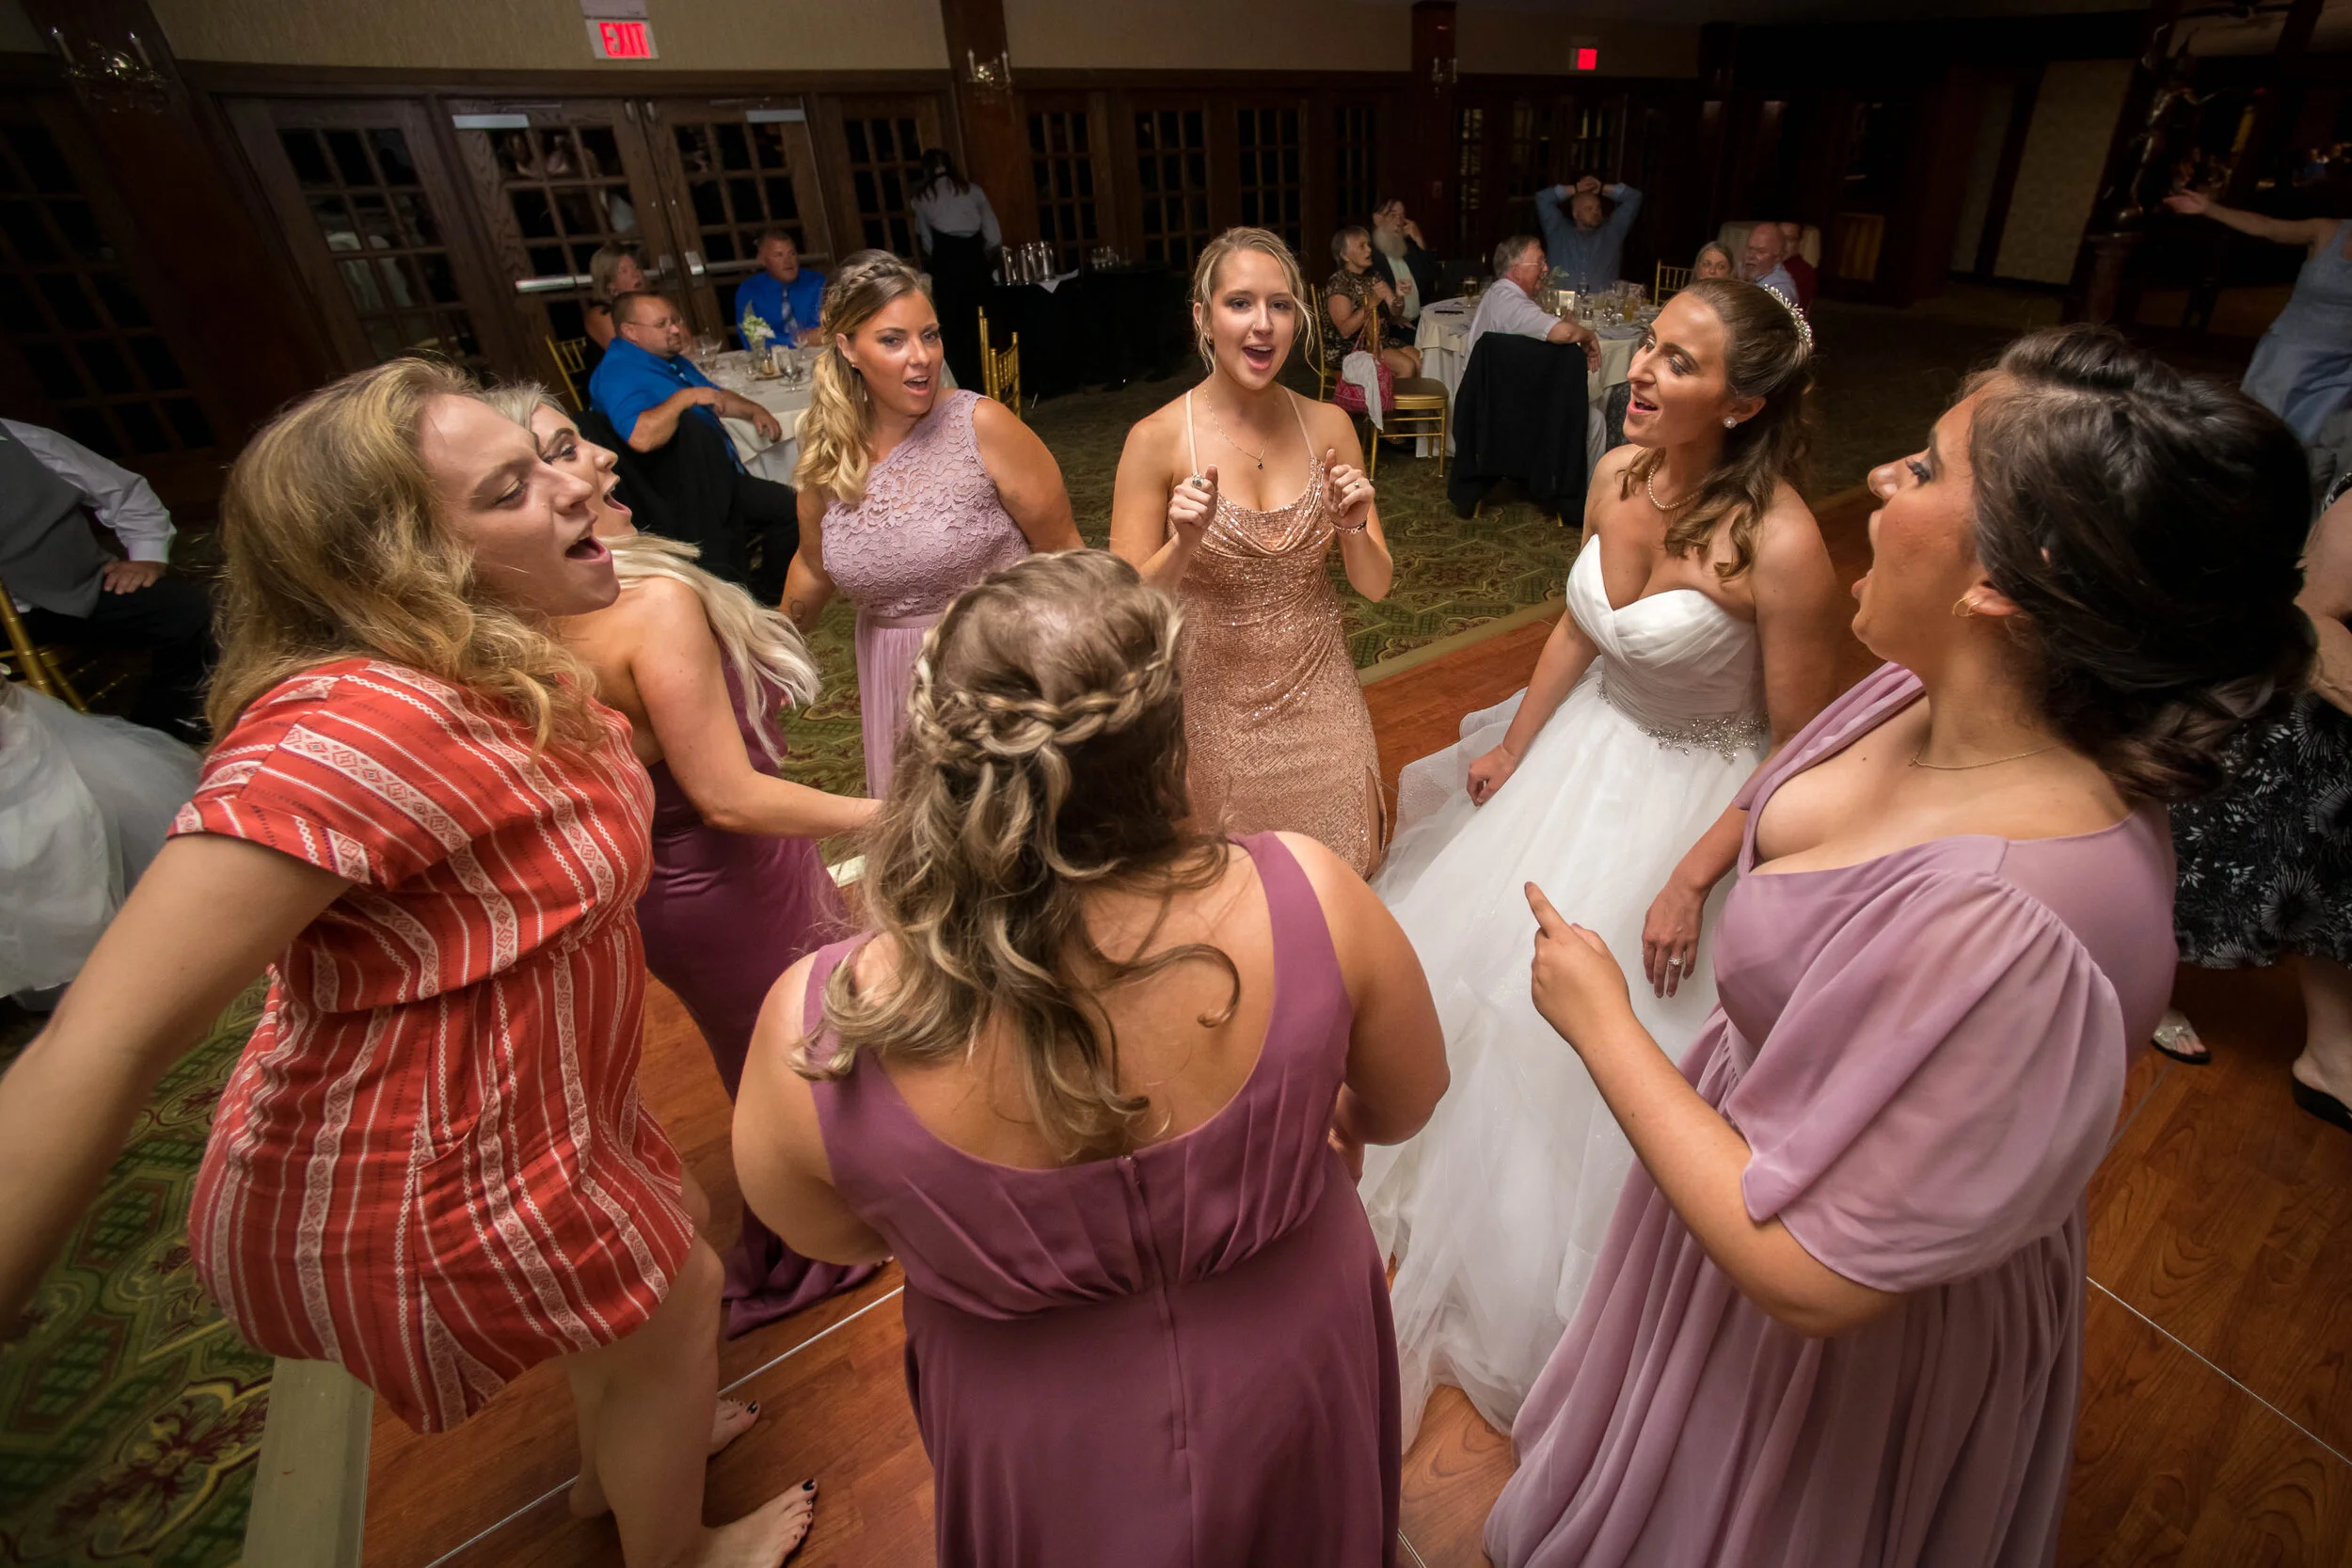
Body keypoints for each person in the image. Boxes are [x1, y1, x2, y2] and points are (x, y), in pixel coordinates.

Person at [1486, 325, 2313, 1568]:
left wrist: (1603, 1018)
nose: (1880, 477)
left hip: (1840, 1339)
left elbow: (1816, 1276)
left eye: (1925, 470)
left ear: (2007, 578)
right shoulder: (1921, 688)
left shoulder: (2014, 928)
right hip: (1746, 1164)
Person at [0, 359, 824, 1565]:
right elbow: (108, 1035)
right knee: (677, 1298)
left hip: (550, 1111)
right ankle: (682, 1550)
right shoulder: (355, 723)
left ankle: (622, 1467)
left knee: (666, 1278)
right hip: (429, 1153)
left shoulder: (505, 664)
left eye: (552, 456)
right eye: (511, 487)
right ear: (405, 565)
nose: (577, 480)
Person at [730, 549, 1451, 1567]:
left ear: (934, 760)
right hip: (1294, 1355)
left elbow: (829, 1228)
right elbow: (1407, 1095)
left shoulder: (819, 1024)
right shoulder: (1313, 893)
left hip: (1032, 1417)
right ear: (1169, 749)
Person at [1360, 277, 1840, 1442]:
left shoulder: (1778, 543)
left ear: (1745, 401)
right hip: (1580, 757)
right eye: (1651, 348)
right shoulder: (1619, 473)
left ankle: (1574, 1293)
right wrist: (1517, 744)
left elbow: (1800, 750)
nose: (1641, 371)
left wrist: (1690, 875)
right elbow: (1582, 620)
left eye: (1678, 361)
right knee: (1485, 993)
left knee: (1606, 1053)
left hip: (1693, 803)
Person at [486, 384, 885, 1333]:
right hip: (729, 876)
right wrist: (896, 811)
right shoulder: (649, 606)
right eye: (559, 452)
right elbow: (729, 795)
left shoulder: (521, 621)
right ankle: (819, 1236)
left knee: (764, 1049)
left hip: (676, 889)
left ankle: (822, 1212)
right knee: (803, 1050)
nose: (601, 462)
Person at [1108, 227, 1395, 876]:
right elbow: (1119, 618)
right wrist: (1181, 546)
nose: (1262, 325)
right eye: (1239, 303)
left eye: (1281, 305)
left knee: (1342, 885)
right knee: (1237, 912)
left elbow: (1377, 585)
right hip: (1212, 725)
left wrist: (1351, 525)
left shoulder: (1328, 425)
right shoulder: (1156, 440)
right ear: (1203, 319)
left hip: (1324, 709)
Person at [782, 255, 1078, 798]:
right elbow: (812, 566)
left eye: (930, 336)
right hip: (890, 676)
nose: (922, 359)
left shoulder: (981, 425)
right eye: (893, 341)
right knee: (922, 848)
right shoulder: (829, 449)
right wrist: (767, 659)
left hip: (993, 668)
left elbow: (1066, 555)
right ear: (847, 348)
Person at [2153, 471, 2352, 1135]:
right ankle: (2137, 989)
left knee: (2333, 894)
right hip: (2298, 719)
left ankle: (2333, 1055)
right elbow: (2315, 618)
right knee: (2199, 858)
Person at [2, 420, 213, 740]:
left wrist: (147, 555)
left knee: (192, 611)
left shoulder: (23, 439)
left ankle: (165, 724)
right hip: (5, 622)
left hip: (78, 585)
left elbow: (121, 490)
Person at [588, 290, 802, 601]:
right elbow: (641, 436)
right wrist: (684, 399)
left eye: (676, 320)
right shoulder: (619, 372)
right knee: (789, 509)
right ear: (630, 332)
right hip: (684, 495)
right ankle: (758, 598)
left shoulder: (665, 359)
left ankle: (761, 594)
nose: (676, 329)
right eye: (662, 324)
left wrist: (754, 410)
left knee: (791, 507)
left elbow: (713, 395)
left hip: (715, 478)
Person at [2164, 188, 2352, 445]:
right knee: (2255, 431)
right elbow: (2266, 227)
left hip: (2342, 369)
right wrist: (2209, 209)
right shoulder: (2328, 231)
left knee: (2309, 443)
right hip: (2290, 355)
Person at [911, 148, 1000, 392]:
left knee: (953, 329)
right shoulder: (973, 191)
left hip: (947, 268)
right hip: (975, 265)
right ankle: (989, 384)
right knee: (982, 325)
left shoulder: (923, 198)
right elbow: (993, 236)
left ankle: (961, 388)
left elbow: (927, 241)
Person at [1466, 236, 1602, 367]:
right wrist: (1588, 335)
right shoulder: (1510, 302)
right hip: (1491, 389)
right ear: (1516, 270)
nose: (1546, 268)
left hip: (1495, 384)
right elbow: (1564, 333)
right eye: (1539, 263)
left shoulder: (1500, 293)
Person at [1325, 226, 1424, 380]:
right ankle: (1388, 404)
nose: (1369, 250)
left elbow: (1395, 310)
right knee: (1407, 366)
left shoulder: (1374, 276)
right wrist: (1372, 302)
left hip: (1379, 342)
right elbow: (1345, 330)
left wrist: (1399, 296)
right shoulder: (1339, 283)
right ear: (1345, 256)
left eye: (1368, 245)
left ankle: (1414, 403)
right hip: (1351, 349)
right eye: (1361, 246)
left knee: (1421, 361)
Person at [1534, 175, 1643, 295]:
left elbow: (1634, 197)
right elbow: (1542, 198)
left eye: (1598, 208)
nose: (1595, 212)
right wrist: (1576, 189)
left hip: (1601, 308)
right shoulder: (1558, 232)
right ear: (1576, 214)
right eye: (1589, 209)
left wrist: (1601, 187)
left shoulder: (1612, 232)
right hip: (1559, 307)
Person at [735, 228, 825, 349]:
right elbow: (752, 339)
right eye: (779, 255)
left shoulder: (817, 282)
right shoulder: (749, 290)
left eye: (792, 253)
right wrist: (796, 340)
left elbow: (827, 330)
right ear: (762, 260)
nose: (788, 261)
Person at [1372, 197, 1436, 320]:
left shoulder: (1408, 249)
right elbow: (1367, 296)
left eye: (1402, 216)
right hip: (1391, 326)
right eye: (1392, 215)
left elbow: (1431, 280)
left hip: (1421, 319)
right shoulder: (1369, 254)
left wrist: (1419, 239)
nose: (1399, 221)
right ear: (1377, 219)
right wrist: (1393, 319)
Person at [584, 242, 649, 351]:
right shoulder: (600, 315)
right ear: (610, 284)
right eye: (624, 271)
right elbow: (629, 353)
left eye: (636, 267)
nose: (635, 274)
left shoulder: (651, 306)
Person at [1740, 221, 1799, 304]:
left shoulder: (1779, 290)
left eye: (1760, 252)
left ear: (1777, 257)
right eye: (1749, 249)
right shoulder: (1744, 272)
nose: (1751, 256)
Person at [1776, 221, 1819, 308]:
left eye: (1789, 239)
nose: (1783, 244)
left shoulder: (1804, 272)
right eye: (1779, 237)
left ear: (1799, 243)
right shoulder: (1767, 261)